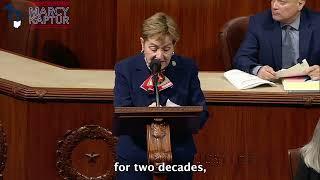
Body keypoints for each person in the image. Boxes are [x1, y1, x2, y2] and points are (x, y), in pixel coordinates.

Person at [113, 12, 209, 180]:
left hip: (178, 152)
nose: (160, 56)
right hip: (136, 152)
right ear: (142, 43)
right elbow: (122, 113)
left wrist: (181, 115)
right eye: (153, 48)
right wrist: (144, 114)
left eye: (166, 49)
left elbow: (202, 112)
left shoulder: (187, 67)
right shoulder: (125, 69)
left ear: (174, 45)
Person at [233, 0, 320, 81]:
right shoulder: (258, 22)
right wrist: (258, 70)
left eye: (282, 2)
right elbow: (242, 58)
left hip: (309, 88)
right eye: (272, 0)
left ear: (300, 4)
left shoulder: (317, 23)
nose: (274, 6)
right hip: (273, 86)